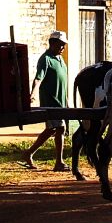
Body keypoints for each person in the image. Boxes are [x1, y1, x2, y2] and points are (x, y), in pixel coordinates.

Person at [22, 30, 70, 171]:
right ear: (52, 43)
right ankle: (59, 162)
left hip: (61, 102)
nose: (63, 47)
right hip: (51, 102)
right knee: (60, 128)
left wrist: (67, 101)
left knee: (51, 130)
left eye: (64, 45)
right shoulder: (46, 59)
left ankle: (28, 153)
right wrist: (33, 93)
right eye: (61, 44)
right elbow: (38, 78)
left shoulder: (60, 59)